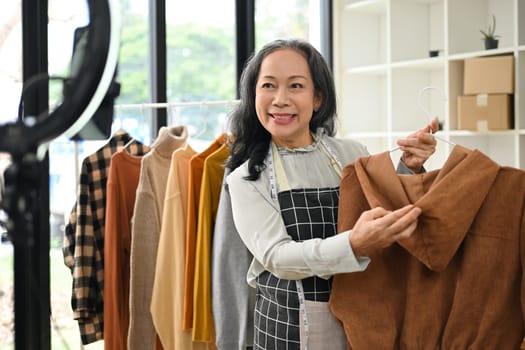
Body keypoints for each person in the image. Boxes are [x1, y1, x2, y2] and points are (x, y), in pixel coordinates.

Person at [225, 38, 438, 350]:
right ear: (253, 95)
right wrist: (354, 244)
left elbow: (385, 209)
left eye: (296, 86)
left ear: (317, 98)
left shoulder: (352, 153)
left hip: (364, 316)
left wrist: (409, 166)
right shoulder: (247, 176)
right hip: (289, 328)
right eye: (268, 85)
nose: (280, 99)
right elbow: (278, 258)